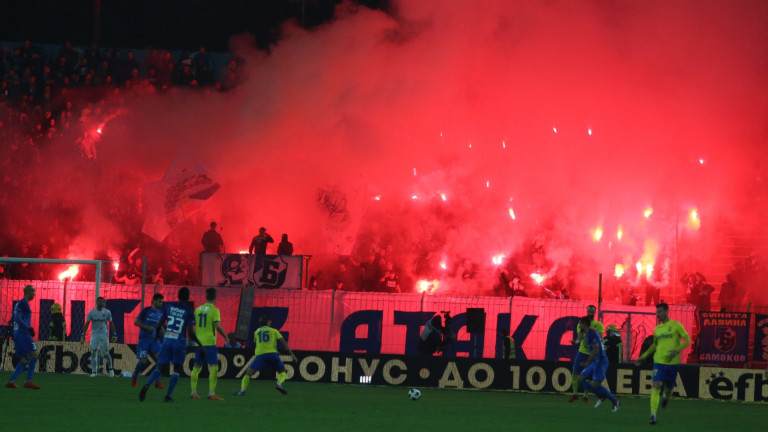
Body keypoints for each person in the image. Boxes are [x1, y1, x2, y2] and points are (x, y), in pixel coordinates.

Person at [140, 287, 202, 403]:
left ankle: (147, 384)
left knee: (160, 367)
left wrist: (157, 336)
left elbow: (159, 325)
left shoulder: (168, 307)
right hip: (179, 342)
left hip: (167, 340)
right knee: (176, 369)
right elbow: (191, 332)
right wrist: (200, 345)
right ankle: (167, 396)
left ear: (178, 296)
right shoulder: (189, 311)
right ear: (188, 297)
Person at [634, 302, 691, 425]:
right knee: (656, 385)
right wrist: (643, 357)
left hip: (672, 363)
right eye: (657, 312)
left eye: (660, 312)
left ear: (666, 311)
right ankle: (653, 414)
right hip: (659, 362)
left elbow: (687, 341)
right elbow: (655, 344)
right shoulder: (657, 329)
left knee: (669, 388)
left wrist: (676, 350)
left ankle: (666, 397)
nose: (658, 314)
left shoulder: (676, 326)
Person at [235, 315, 297, 396]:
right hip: (273, 354)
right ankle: (279, 384)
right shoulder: (274, 331)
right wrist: (291, 353)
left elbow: (260, 344)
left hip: (261, 356)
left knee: (248, 373)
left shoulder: (256, 332)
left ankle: (242, 391)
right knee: (282, 371)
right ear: (268, 322)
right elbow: (283, 342)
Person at [574, 316, 620, 412]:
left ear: (585, 325)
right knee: (580, 379)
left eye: (580, 324)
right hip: (595, 361)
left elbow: (596, 349)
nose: (579, 325)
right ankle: (600, 395)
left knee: (594, 384)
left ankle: (615, 401)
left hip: (600, 361)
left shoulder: (592, 334)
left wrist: (587, 362)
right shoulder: (586, 334)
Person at [190, 288, 228, 400]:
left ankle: (193, 392)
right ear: (215, 297)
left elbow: (192, 326)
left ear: (206, 296)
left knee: (196, 367)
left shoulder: (197, 310)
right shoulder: (214, 310)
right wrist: (225, 337)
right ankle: (211, 393)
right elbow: (217, 325)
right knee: (214, 367)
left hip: (199, 342)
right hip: (209, 343)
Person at [5, 285, 40, 389]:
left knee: (24, 359)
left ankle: (10, 381)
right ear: (28, 292)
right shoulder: (23, 303)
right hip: (23, 333)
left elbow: (13, 319)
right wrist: (28, 328)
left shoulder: (19, 304)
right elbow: (17, 318)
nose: (34, 294)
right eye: (33, 292)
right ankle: (28, 381)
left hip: (18, 333)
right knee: (34, 354)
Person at [569, 305, 603, 403]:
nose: (591, 312)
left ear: (595, 312)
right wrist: (575, 342)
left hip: (593, 353)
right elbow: (579, 338)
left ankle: (585, 395)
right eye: (589, 310)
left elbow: (600, 339)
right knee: (575, 372)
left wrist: (602, 348)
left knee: (588, 375)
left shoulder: (599, 325)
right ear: (587, 311)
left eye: (592, 310)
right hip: (582, 352)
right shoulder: (581, 323)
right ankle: (575, 394)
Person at [130, 293, 165, 389]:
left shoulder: (160, 313)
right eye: (159, 301)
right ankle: (135, 375)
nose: (161, 303)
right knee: (143, 362)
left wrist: (166, 338)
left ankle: (157, 381)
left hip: (155, 340)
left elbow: (160, 327)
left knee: (161, 360)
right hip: (144, 340)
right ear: (154, 301)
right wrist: (147, 327)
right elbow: (136, 322)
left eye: (162, 301)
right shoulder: (146, 310)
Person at [81, 296, 117, 377]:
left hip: (104, 335)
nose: (101, 303)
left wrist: (114, 334)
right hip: (95, 335)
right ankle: (94, 372)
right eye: (99, 301)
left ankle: (111, 370)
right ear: (96, 302)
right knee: (93, 352)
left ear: (103, 303)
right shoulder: (92, 312)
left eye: (102, 301)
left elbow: (111, 323)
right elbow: (87, 324)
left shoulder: (107, 312)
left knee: (106, 353)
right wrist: (83, 335)